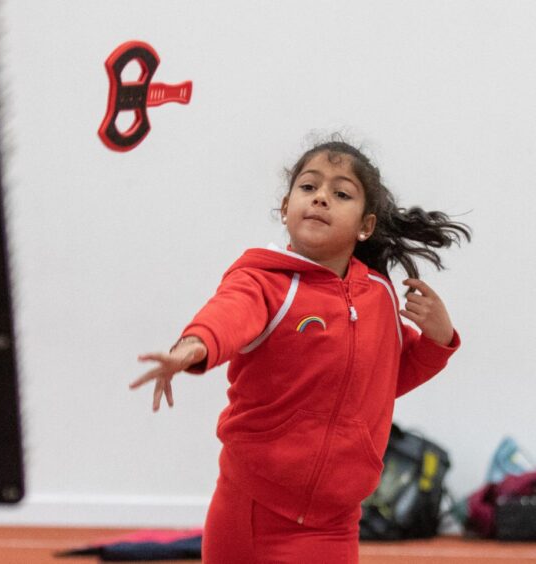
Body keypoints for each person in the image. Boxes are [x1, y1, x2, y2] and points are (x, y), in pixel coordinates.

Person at [130, 138, 470, 563]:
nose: (321, 198)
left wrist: (438, 339)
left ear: (365, 226)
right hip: (252, 513)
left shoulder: (379, 295)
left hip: (336, 522)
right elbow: (227, 315)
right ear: (286, 205)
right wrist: (193, 346)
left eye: (340, 193)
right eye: (309, 187)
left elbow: (384, 382)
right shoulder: (263, 281)